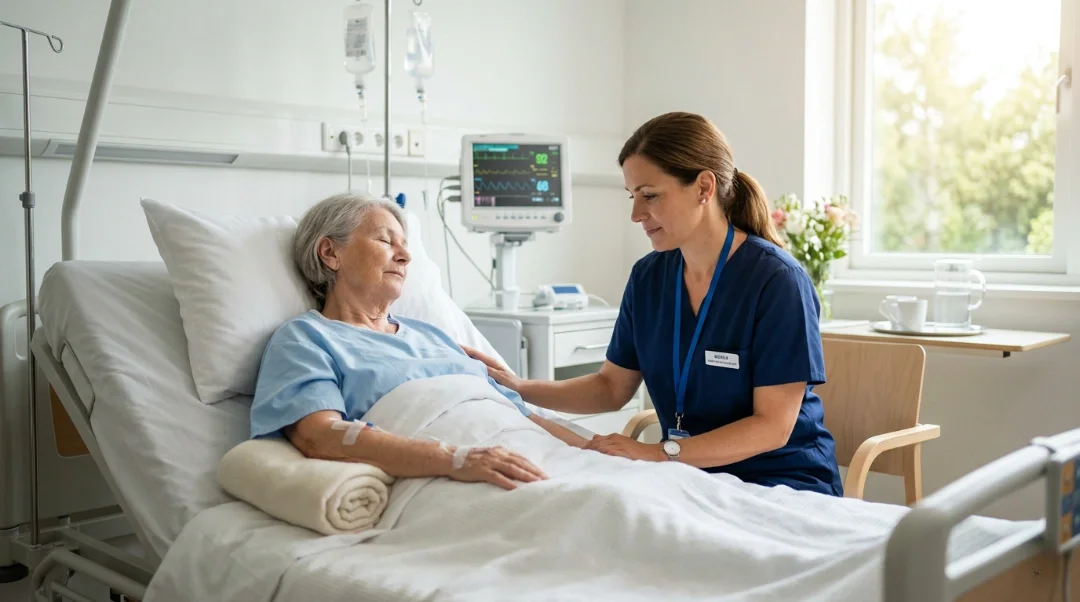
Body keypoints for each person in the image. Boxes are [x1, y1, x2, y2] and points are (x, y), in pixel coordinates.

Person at [466, 112, 842, 496]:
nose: (636, 214)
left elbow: (772, 426)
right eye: (633, 197)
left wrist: (658, 453)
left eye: (650, 196)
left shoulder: (776, 281)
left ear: (703, 187)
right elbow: (610, 387)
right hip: (688, 479)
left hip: (782, 482)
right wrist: (518, 387)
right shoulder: (648, 278)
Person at [249, 193, 589, 491]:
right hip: (452, 476)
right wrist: (455, 458)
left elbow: (525, 418)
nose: (405, 257)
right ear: (330, 252)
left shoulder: (433, 335)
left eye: (405, 246)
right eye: (386, 241)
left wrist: (593, 447)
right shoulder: (306, 340)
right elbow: (319, 436)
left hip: (534, 454)